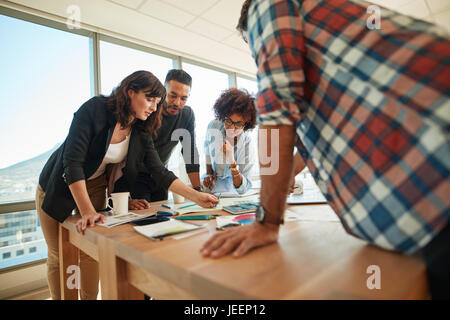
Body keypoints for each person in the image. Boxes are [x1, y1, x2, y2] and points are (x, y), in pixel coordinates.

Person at [200, 0, 450, 299]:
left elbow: (279, 110)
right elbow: (307, 139)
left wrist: (266, 220)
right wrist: (284, 179)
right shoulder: (319, 49)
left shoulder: (265, 5)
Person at [36, 70, 218, 300]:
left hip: (94, 185)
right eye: (149, 99)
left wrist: (196, 196)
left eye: (157, 102)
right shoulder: (95, 109)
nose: (154, 107)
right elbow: (72, 163)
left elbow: (159, 171)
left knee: (91, 253)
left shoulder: (142, 127)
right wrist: (87, 211)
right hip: (58, 184)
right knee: (59, 255)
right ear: (130, 92)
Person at [115, 69, 202, 210]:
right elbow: (148, 155)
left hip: (162, 178)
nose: (177, 102)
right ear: (163, 90)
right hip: (138, 177)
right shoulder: (148, 112)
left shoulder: (187, 115)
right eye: (172, 95)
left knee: (162, 220)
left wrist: (198, 190)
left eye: (183, 98)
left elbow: (190, 152)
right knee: (143, 219)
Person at [202, 88, 257, 195]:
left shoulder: (247, 143)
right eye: (228, 121)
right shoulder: (214, 126)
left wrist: (232, 161)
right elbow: (208, 153)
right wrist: (210, 175)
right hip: (215, 190)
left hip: (236, 192)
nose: (231, 128)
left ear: (246, 124)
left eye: (238, 124)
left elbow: (243, 189)